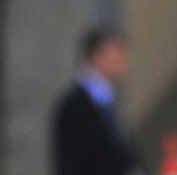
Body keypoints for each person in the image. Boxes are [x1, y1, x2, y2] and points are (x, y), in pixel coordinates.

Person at [50, 27, 143, 175]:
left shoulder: (107, 100)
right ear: (97, 56)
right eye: (116, 51)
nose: (123, 57)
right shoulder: (74, 107)